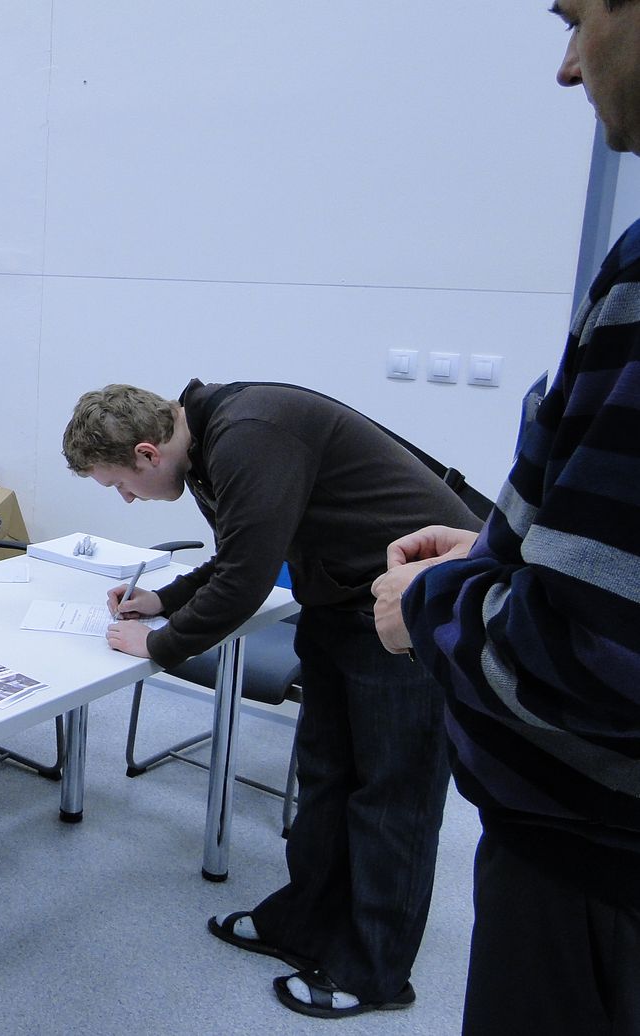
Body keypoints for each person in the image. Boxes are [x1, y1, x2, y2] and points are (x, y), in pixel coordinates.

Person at [372, 3, 640, 1031]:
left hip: (589, 867)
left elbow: (592, 653)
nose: (567, 67)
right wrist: (499, 551)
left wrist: (427, 598)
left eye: (578, 17)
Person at [62, 381, 482, 1018]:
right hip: (343, 601)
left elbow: (246, 580)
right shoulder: (204, 445)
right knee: (327, 776)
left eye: (120, 483)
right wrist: (164, 599)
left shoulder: (249, 435)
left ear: (148, 453)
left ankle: (376, 972)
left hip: (414, 609)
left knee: (394, 795)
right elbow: (240, 553)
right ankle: (304, 921)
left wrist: (161, 643)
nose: (125, 497)